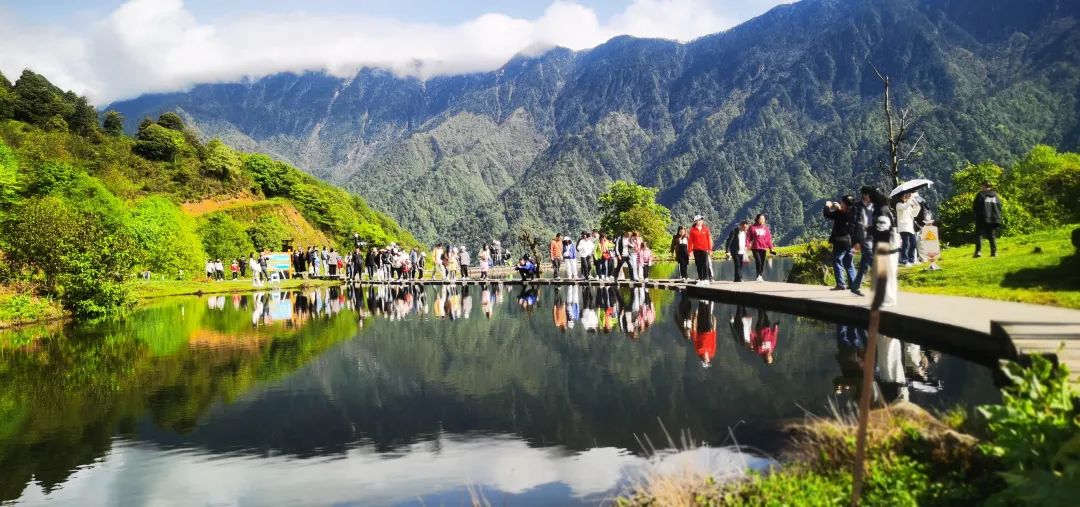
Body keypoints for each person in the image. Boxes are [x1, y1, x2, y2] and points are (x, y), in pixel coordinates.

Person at [824, 196, 856, 290]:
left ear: (845, 204)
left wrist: (828, 206)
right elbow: (845, 214)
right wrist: (839, 208)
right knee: (849, 263)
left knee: (837, 260)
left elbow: (827, 214)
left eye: (842, 202)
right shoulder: (853, 213)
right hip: (850, 240)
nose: (840, 203)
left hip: (840, 240)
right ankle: (853, 284)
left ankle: (841, 284)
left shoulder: (839, 213)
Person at [850, 186, 876, 296]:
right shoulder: (856, 207)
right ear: (865, 195)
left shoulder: (873, 206)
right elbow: (852, 225)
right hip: (861, 239)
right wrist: (855, 241)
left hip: (870, 238)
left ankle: (855, 287)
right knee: (872, 261)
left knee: (864, 265)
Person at [973, 181, 1003, 258]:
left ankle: (978, 252)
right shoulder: (996, 195)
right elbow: (1000, 206)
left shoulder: (981, 194)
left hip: (982, 218)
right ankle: (994, 252)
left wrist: (977, 214)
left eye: (982, 186)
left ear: (984, 186)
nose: (981, 187)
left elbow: (975, 206)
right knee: (992, 235)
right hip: (994, 218)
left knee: (979, 235)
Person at [747, 214, 776, 282]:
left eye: (763, 219)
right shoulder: (752, 227)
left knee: (762, 262)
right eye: (761, 219)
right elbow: (748, 237)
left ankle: (760, 276)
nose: (762, 220)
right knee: (758, 261)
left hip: (763, 248)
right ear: (757, 219)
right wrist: (747, 245)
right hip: (755, 247)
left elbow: (769, 239)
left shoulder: (766, 228)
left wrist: (771, 248)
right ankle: (758, 276)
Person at [895, 192, 921, 266]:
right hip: (903, 227)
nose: (906, 197)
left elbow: (914, 214)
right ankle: (904, 260)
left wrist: (916, 205)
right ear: (900, 197)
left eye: (906, 195)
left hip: (910, 227)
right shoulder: (899, 205)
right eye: (904, 196)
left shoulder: (908, 205)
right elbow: (904, 207)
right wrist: (910, 199)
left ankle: (912, 260)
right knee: (906, 244)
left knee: (913, 244)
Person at [687, 215, 713, 284]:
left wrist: (710, 249)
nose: (700, 222)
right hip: (696, 250)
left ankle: (706, 279)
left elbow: (709, 240)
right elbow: (690, 241)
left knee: (705, 264)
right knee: (698, 264)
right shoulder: (692, 230)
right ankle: (701, 279)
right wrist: (690, 251)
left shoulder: (706, 229)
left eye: (701, 220)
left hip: (704, 249)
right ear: (695, 221)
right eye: (698, 220)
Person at [690, 300, 716, 367]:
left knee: (701, 315)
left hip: (700, 331)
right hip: (709, 332)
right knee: (707, 317)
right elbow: (714, 341)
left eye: (705, 361)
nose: (706, 360)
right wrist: (714, 329)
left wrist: (694, 328)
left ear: (703, 360)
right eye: (707, 361)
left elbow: (695, 339)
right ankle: (706, 302)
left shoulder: (698, 352)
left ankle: (701, 301)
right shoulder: (712, 353)